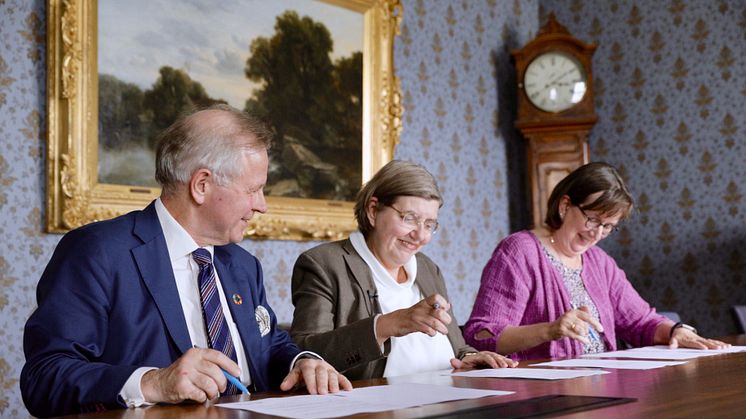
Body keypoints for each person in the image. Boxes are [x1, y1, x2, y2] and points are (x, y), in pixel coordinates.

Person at [21, 105, 351, 417]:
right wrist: (154, 383)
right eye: (254, 189)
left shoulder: (242, 265)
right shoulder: (99, 252)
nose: (262, 205)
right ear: (202, 185)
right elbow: (45, 376)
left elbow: (268, 345)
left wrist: (302, 362)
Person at [464, 162, 730, 361]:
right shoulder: (519, 252)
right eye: (592, 219)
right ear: (565, 205)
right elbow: (481, 335)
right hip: (542, 396)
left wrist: (675, 331)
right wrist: (550, 330)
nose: (597, 233)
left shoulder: (598, 261)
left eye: (608, 226)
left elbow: (639, 321)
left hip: (602, 385)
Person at [289, 160, 517, 380]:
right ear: (373, 211)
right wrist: (388, 324)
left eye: (429, 225)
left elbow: (456, 347)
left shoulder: (428, 268)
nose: (421, 236)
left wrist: (469, 357)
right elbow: (305, 353)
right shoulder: (325, 264)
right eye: (410, 219)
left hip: (447, 399)